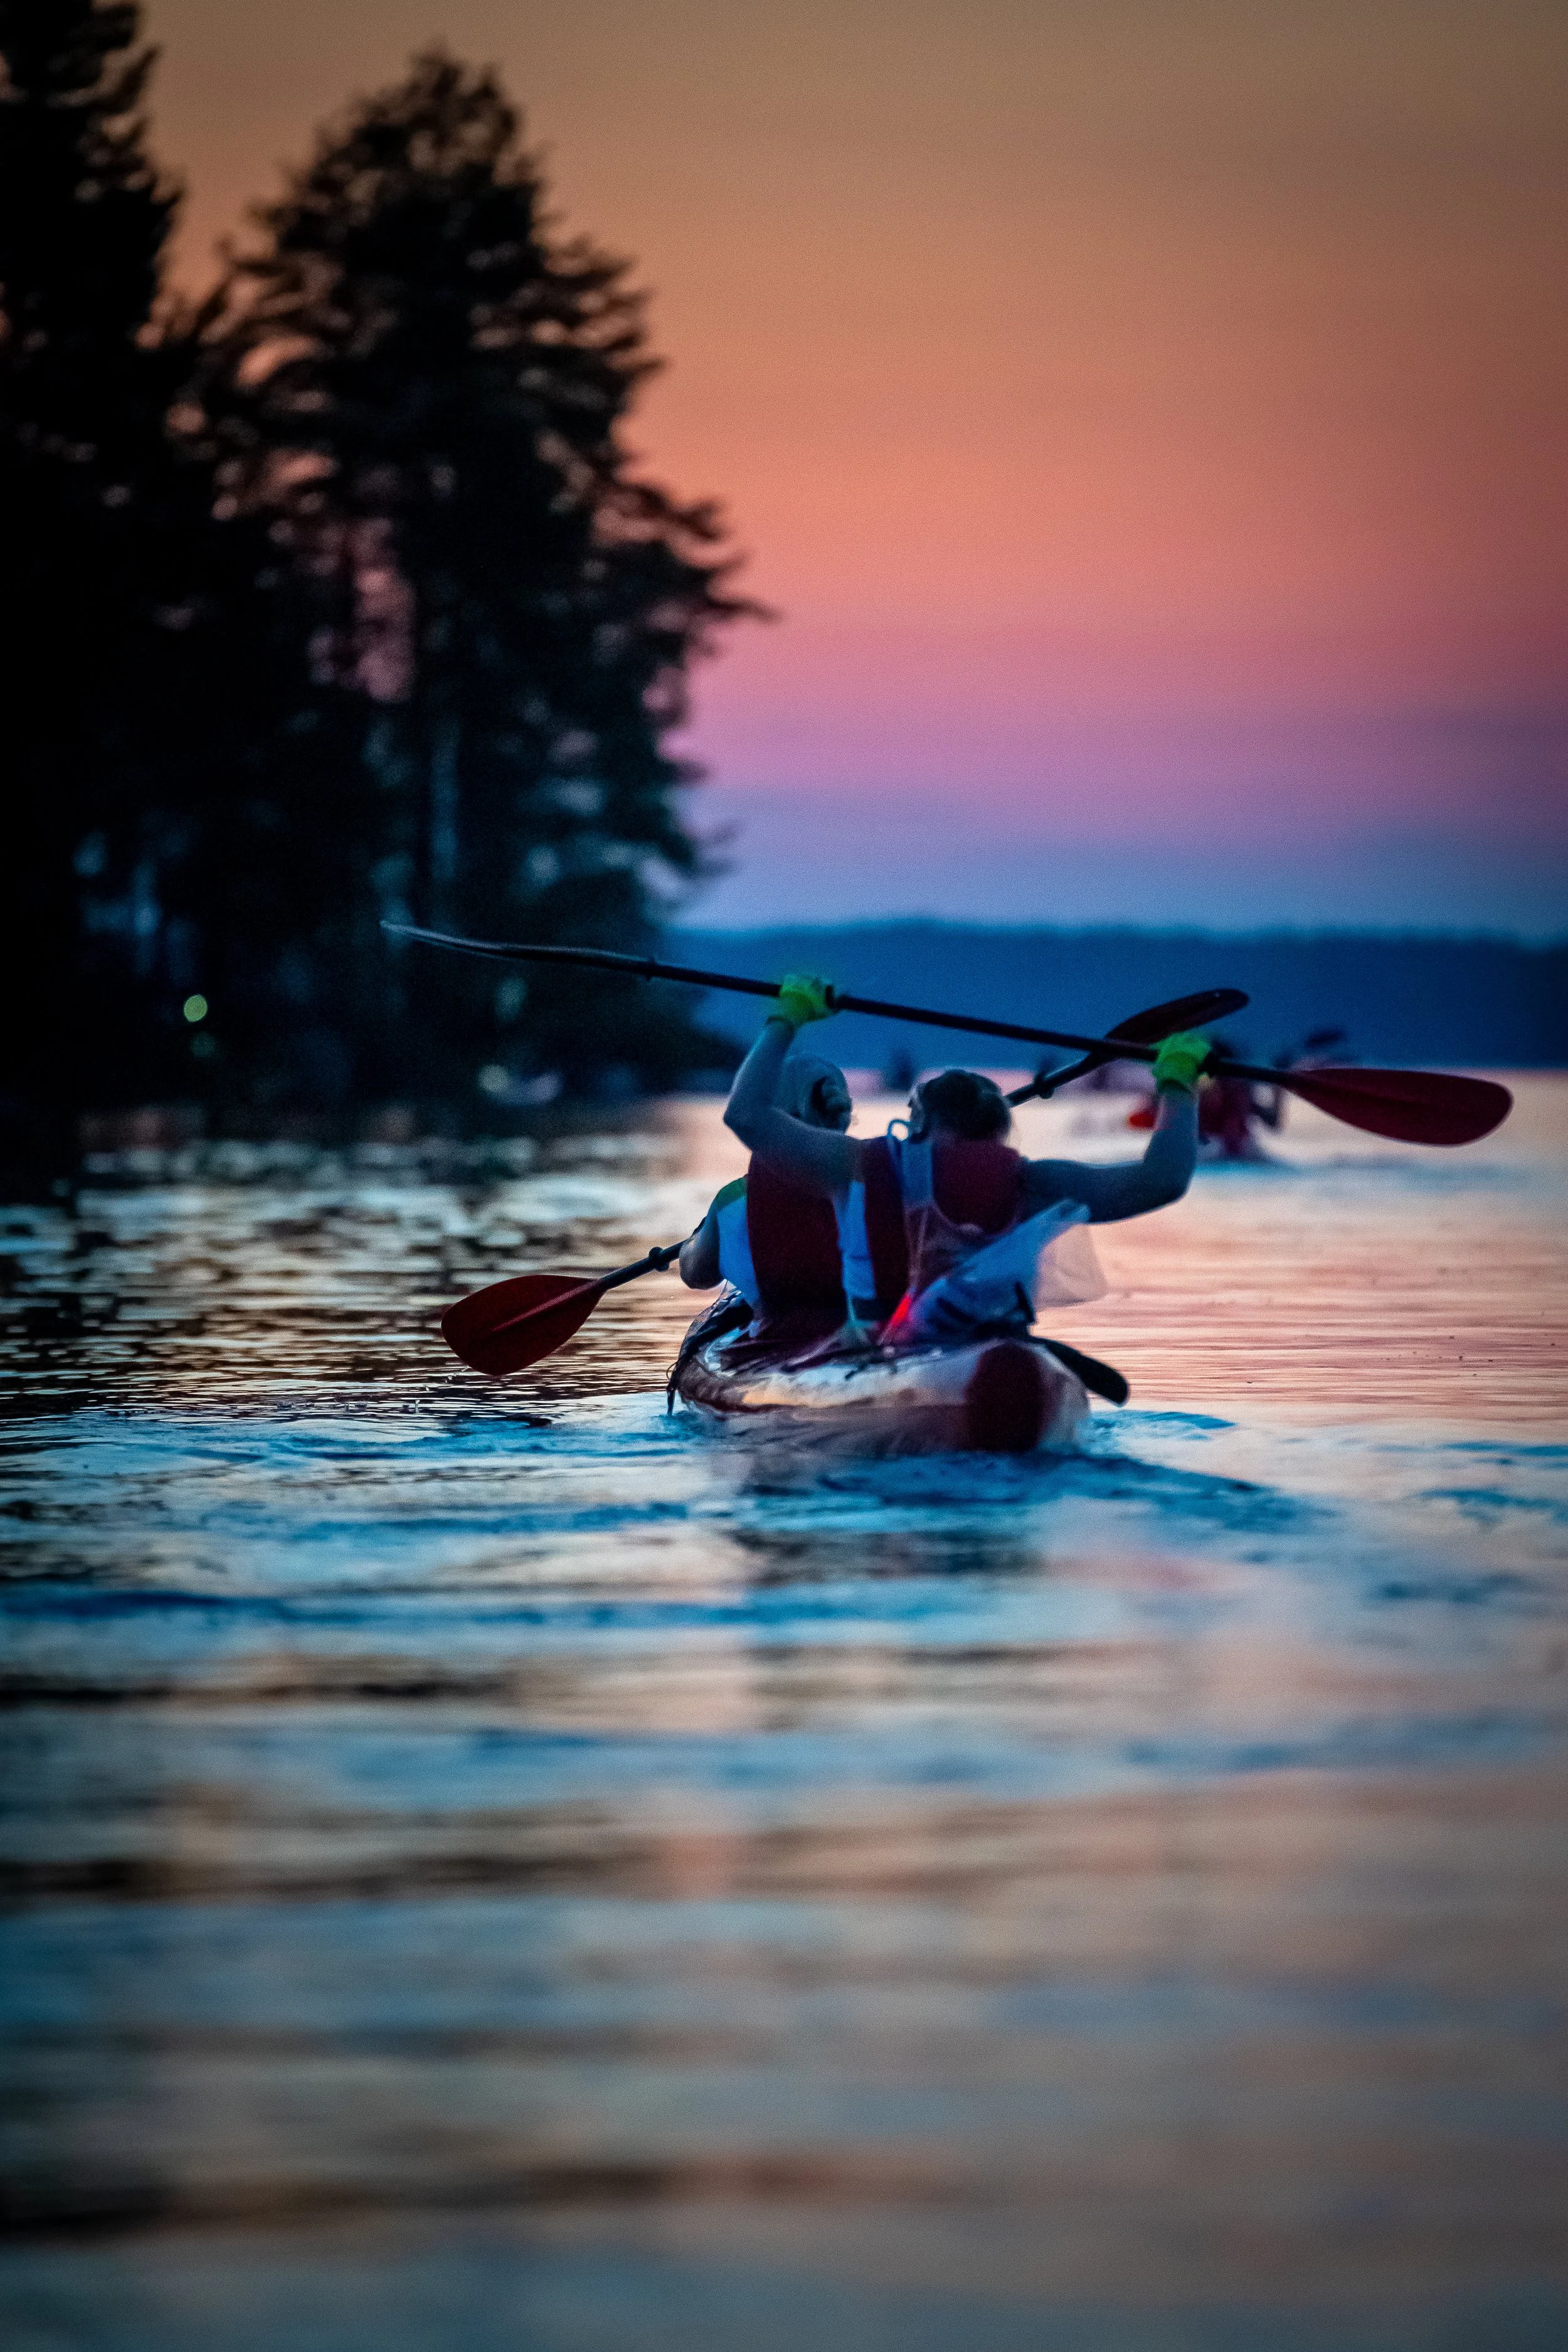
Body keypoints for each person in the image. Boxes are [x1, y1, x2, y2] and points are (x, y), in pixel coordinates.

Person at [723, 973, 1207, 1342]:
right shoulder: (1033, 1183)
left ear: (920, 1123)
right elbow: (1162, 1179)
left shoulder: (852, 1166)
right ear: (996, 1129)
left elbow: (746, 1114)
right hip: (995, 1355)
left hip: (881, 1358)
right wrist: (1177, 1085)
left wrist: (787, 1018)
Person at [678, 1049, 854, 1347]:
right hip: (878, 1341)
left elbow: (696, 1274)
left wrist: (695, 1241)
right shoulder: (883, 1176)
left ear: (770, 1117)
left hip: (774, 1344)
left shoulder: (733, 1200)